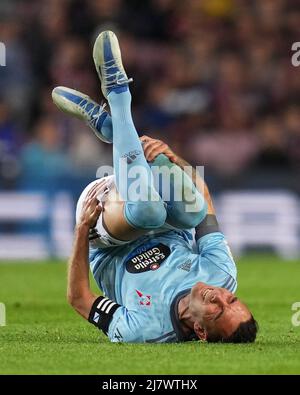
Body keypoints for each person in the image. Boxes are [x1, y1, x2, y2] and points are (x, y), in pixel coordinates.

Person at [52, 31, 258, 343]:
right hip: (157, 204)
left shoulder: (145, 329)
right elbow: (204, 200)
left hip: (108, 227)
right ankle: (117, 126)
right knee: (193, 210)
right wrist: (173, 157)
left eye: (217, 309)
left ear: (200, 331)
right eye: (231, 300)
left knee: (146, 211)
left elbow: (79, 298)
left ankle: (118, 97)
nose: (220, 296)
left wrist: (82, 229)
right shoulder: (222, 275)